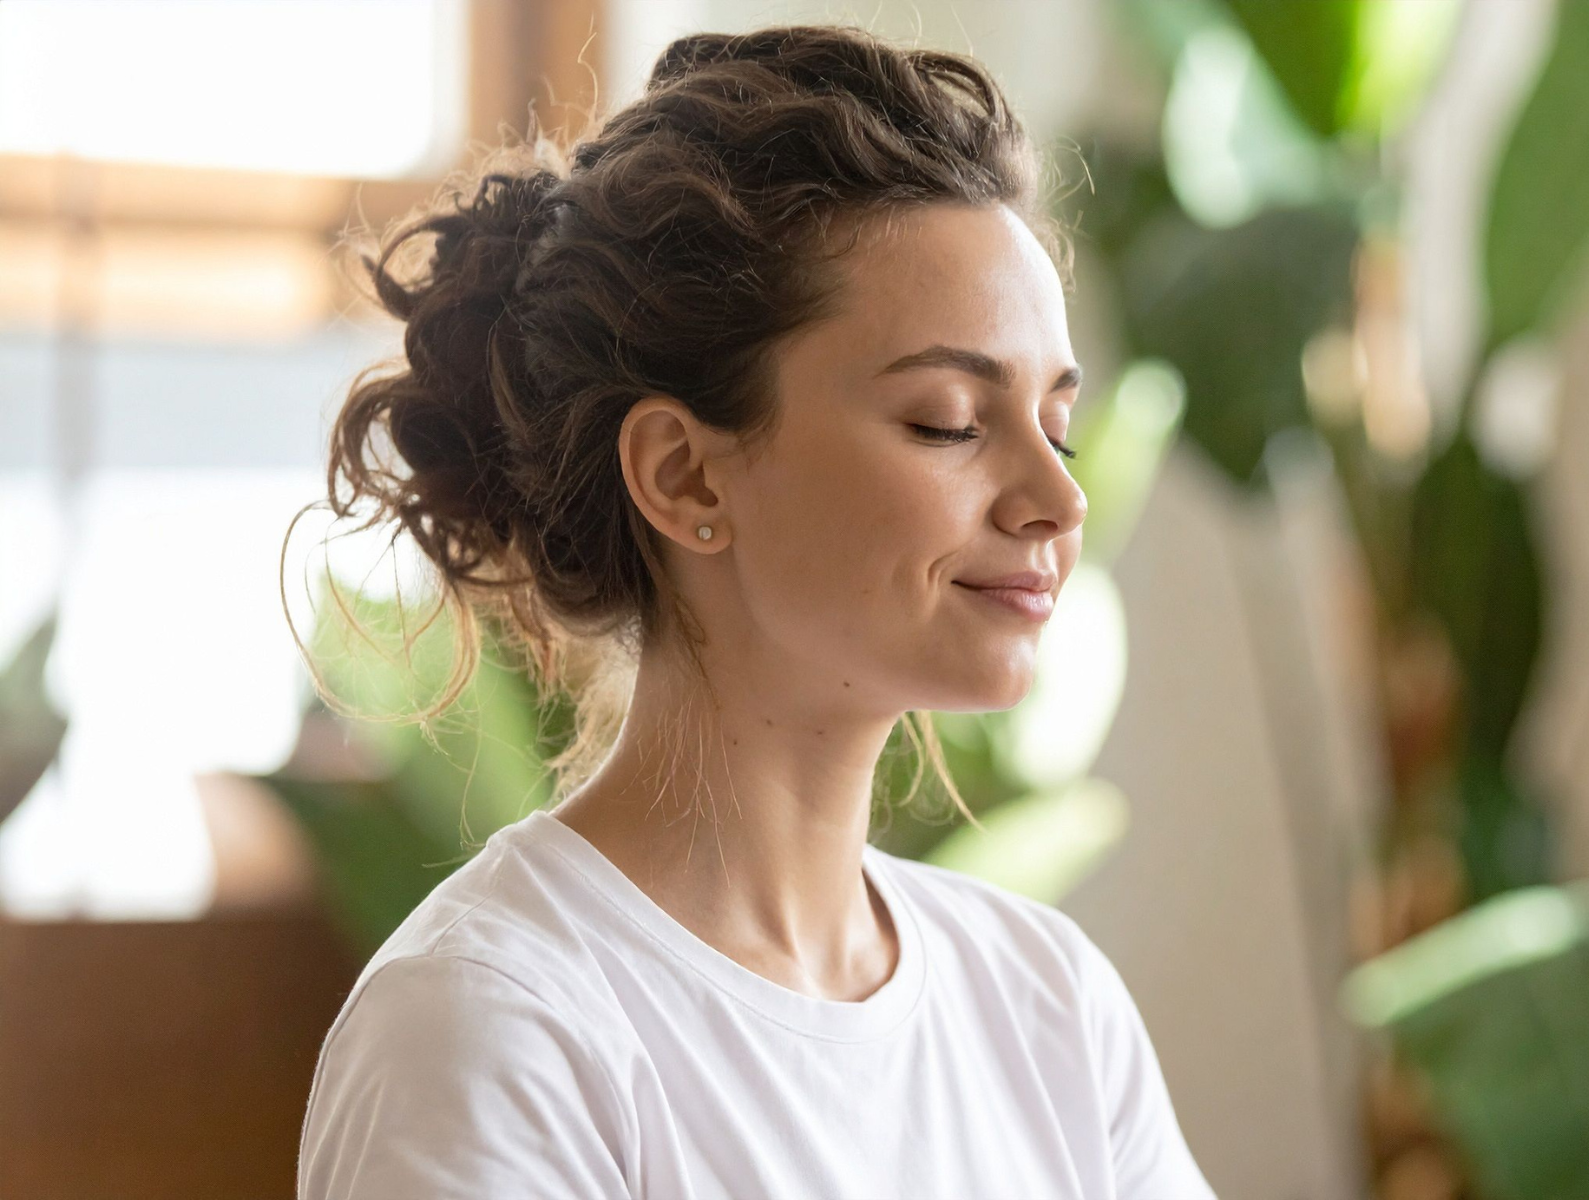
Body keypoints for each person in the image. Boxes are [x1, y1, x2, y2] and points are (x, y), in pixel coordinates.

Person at [294, 22, 1217, 1200]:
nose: (1058, 496)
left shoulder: (1051, 1010)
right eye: (948, 420)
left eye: (1058, 422)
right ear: (684, 475)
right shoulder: (495, 1028)